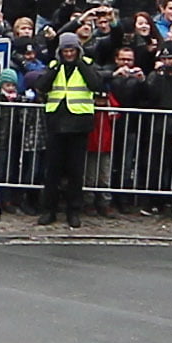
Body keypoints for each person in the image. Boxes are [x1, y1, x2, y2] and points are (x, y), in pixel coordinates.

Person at [39, 45, 103, 229]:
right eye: (65, 51)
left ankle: (73, 211)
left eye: (71, 51)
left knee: (76, 172)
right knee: (52, 171)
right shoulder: (54, 65)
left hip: (79, 124)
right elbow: (42, 86)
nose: (68, 55)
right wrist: (56, 67)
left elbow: (96, 85)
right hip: (56, 123)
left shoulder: (88, 64)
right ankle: (49, 210)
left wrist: (81, 64)